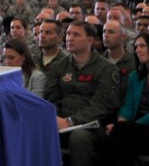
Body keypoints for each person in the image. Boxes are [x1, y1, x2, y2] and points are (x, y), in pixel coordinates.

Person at [44, 21, 121, 166]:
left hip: (93, 126)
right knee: (34, 130)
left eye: (76, 35)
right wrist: (55, 117)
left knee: (79, 137)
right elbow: (50, 97)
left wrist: (70, 121)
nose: (70, 38)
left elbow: (101, 105)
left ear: (90, 40)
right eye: (68, 34)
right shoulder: (58, 66)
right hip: (61, 121)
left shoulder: (106, 69)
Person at [99, 32, 149, 165]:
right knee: (111, 136)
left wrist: (125, 126)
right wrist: (121, 124)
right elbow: (128, 105)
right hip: (133, 128)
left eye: (142, 46)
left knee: (121, 135)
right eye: (136, 47)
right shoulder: (135, 76)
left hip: (142, 126)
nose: (137, 50)